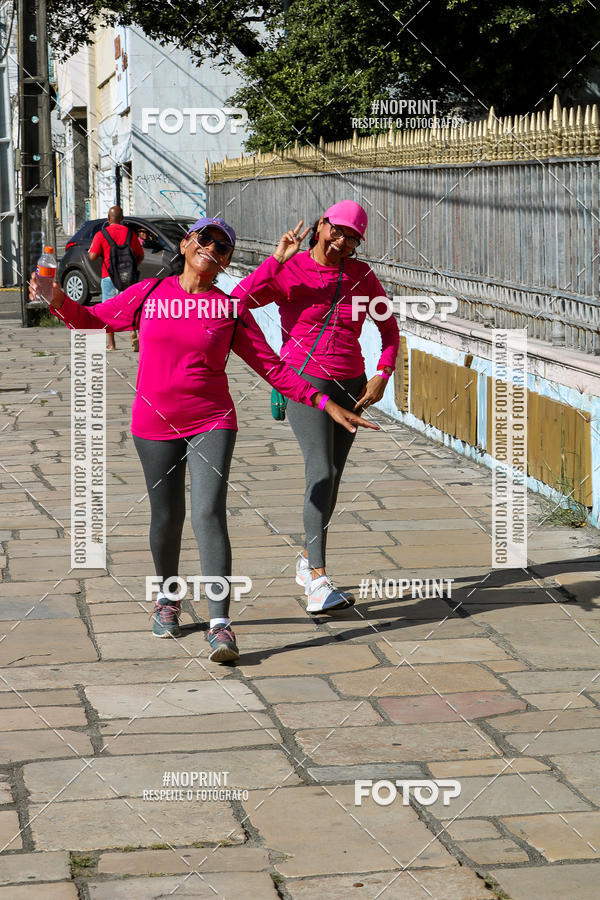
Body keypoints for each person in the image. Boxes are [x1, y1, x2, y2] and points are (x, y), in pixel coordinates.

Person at [29, 216, 378, 663]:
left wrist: (326, 404)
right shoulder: (151, 293)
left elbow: (272, 368)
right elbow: (93, 322)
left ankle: (220, 625)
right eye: (206, 238)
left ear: (227, 262)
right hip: (153, 423)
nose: (213, 248)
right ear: (188, 243)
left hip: (213, 419)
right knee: (166, 517)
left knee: (208, 512)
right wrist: (56, 299)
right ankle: (168, 597)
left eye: (224, 246)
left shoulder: (229, 310)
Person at [233, 200, 400, 614]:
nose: (342, 240)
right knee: (320, 469)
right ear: (321, 225)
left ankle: (308, 560)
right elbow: (237, 302)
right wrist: (275, 261)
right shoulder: (289, 270)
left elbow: (389, 327)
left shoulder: (361, 275)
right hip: (304, 381)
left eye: (353, 237)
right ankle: (317, 580)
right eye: (337, 230)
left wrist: (383, 372)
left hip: (353, 385)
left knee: (335, 476)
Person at [89, 206, 144, 351]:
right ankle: (133, 332)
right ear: (122, 219)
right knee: (131, 305)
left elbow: (92, 256)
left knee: (108, 310)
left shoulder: (102, 234)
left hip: (108, 277)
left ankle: (111, 343)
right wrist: (131, 267)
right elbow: (140, 255)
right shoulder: (130, 234)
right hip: (128, 277)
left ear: (108, 219)